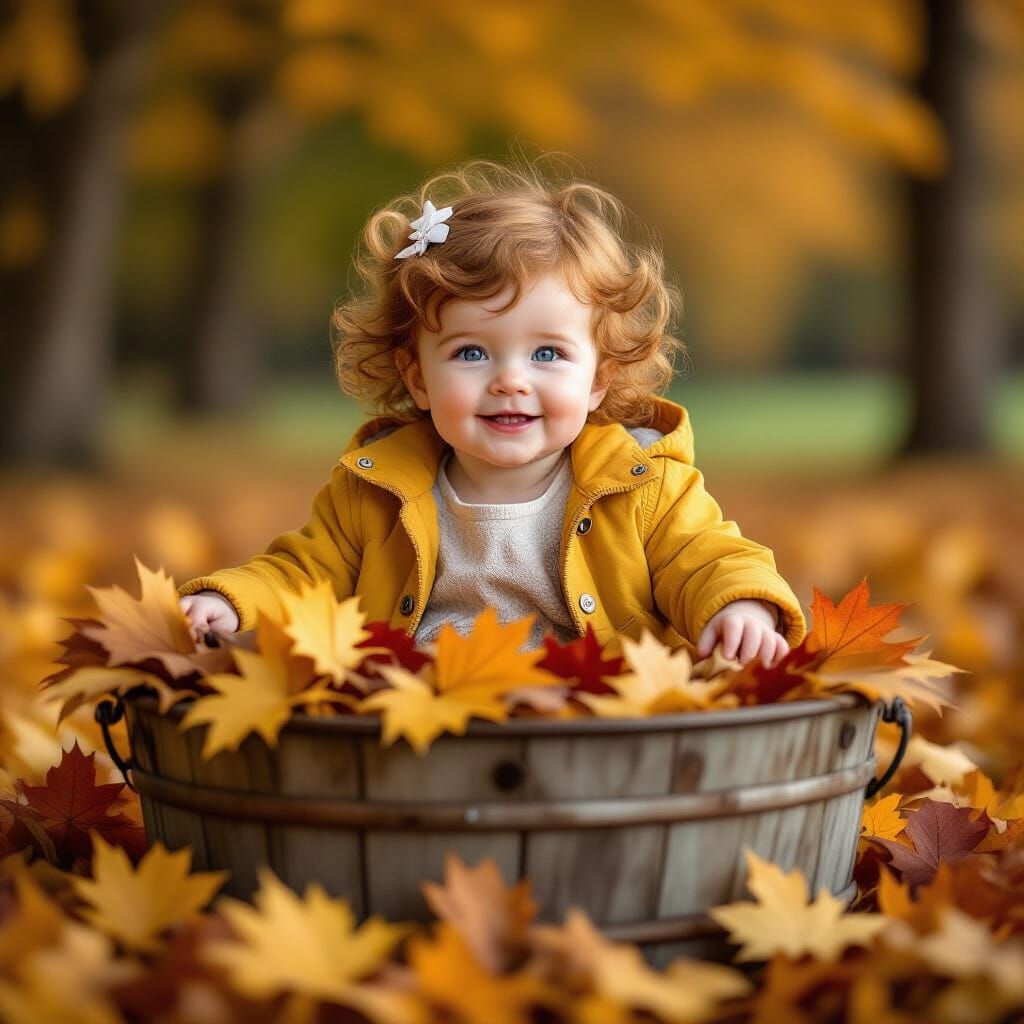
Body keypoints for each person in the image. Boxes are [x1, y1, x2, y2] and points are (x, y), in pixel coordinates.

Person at [179, 157, 807, 669]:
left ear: (599, 379)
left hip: (593, 730)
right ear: (417, 377)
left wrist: (738, 606)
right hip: (420, 725)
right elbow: (302, 575)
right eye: (472, 352)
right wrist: (233, 601)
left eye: (547, 353)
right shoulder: (376, 491)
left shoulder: (642, 485)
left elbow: (707, 555)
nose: (511, 381)